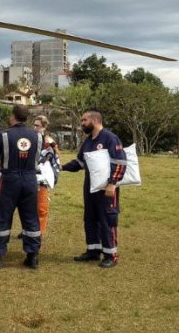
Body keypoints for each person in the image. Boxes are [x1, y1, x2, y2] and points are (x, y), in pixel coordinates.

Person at [62, 108, 126, 268]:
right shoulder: (88, 141)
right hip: (90, 187)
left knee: (107, 220)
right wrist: (60, 167)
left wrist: (112, 183)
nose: (82, 123)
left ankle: (111, 255)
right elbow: (80, 162)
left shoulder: (110, 138)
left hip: (107, 189)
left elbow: (120, 162)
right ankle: (93, 251)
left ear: (95, 120)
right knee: (90, 219)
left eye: (84, 120)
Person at [0, 105, 42, 269]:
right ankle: (33, 256)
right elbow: (37, 158)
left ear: (13, 116)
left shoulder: (4, 135)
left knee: (3, 217)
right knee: (31, 218)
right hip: (30, 179)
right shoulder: (38, 136)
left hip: (10, 180)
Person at [33, 115, 59, 237]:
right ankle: (29, 229)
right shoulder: (30, 138)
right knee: (29, 206)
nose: (34, 127)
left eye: (37, 125)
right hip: (30, 176)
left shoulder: (49, 142)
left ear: (44, 127)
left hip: (43, 177)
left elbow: (54, 158)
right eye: (33, 125)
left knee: (41, 206)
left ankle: (40, 231)